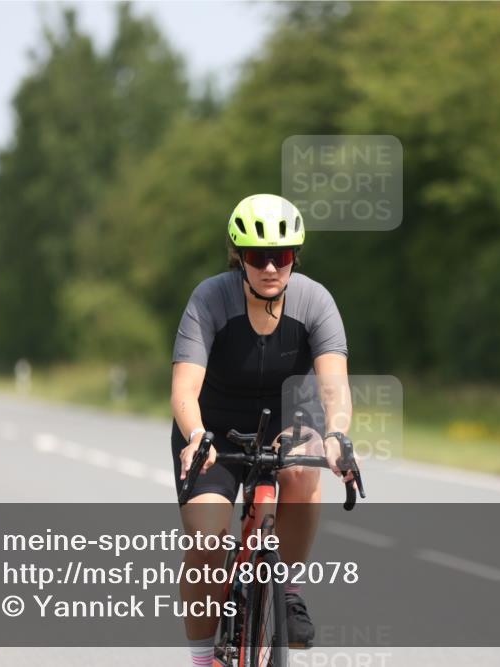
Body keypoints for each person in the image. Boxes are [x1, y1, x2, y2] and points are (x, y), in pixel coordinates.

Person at [171, 194, 356, 666]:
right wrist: (196, 437)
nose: (271, 267)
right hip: (212, 432)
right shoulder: (211, 298)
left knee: (305, 460)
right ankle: (200, 658)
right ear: (240, 258)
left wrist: (336, 435)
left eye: (283, 255)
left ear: (295, 257)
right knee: (208, 541)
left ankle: (287, 589)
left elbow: (335, 388)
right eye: (258, 257)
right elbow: (184, 391)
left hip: (284, 422)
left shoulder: (316, 301)